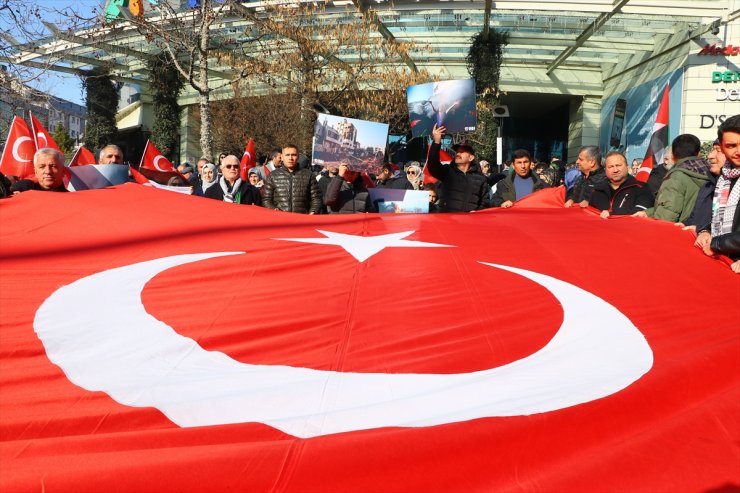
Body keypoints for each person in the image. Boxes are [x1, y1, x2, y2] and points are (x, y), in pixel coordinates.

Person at [694, 114, 740, 272]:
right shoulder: (725, 177)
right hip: (725, 262)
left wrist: (716, 244)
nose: (738, 151)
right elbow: (720, 217)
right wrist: (704, 231)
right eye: (731, 146)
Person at [636, 134, 711, 223]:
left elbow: (666, 216)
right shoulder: (712, 173)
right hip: (703, 230)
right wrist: (648, 213)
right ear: (699, 153)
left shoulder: (676, 177)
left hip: (681, 231)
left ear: (673, 156)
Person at [426, 124, 490, 212]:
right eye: (457, 152)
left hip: (469, 223)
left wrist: (478, 213)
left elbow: (485, 202)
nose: (458, 154)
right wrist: (436, 141)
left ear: (471, 158)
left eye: (462, 152)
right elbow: (433, 165)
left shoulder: (481, 179)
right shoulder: (447, 171)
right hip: (447, 221)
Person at [589, 151, 653, 218]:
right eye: (610, 167)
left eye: (618, 165)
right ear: (605, 170)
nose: (615, 170)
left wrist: (612, 213)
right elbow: (590, 215)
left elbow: (641, 211)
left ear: (627, 167)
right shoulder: (597, 190)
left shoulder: (641, 188)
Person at [262, 144, 322, 214]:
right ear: (282, 157)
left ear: (298, 157)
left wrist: (313, 211)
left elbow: (316, 198)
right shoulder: (273, 176)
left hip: (302, 220)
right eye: (287, 155)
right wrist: (274, 209)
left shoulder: (308, 175)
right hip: (280, 220)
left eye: (293, 155)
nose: (290, 158)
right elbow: (266, 199)